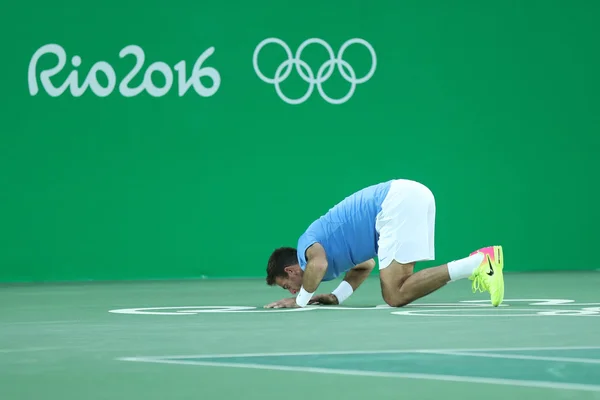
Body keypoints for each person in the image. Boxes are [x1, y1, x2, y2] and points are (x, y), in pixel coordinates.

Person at [264, 178, 504, 309]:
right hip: (410, 197)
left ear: (292, 270)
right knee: (397, 291)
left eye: (287, 286)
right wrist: (337, 297)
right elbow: (364, 265)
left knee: (395, 294)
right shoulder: (325, 257)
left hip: (393, 203)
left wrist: (299, 301)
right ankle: (477, 263)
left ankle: (478, 263)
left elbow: (317, 266)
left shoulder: (308, 248)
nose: (292, 290)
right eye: (290, 292)